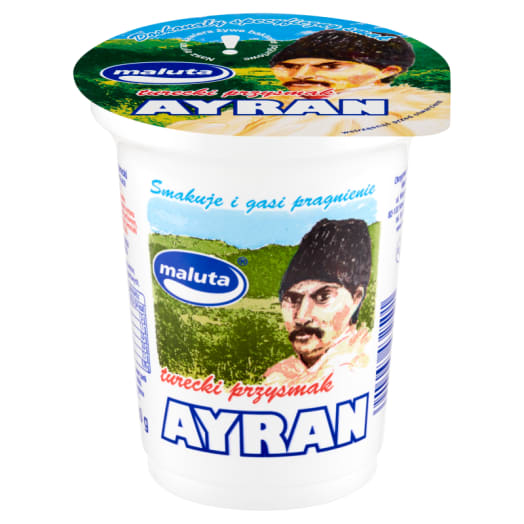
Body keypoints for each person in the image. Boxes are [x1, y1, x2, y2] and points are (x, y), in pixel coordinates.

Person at [168, 30, 449, 136]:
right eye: (289, 66)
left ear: (386, 71)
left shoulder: (416, 108)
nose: (301, 75)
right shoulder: (263, 107)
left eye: (330, 66)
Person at [263, 219, 372, 386]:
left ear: (356, 298)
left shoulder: (357, 365)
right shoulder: (281, 374)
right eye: (293, 299)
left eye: (323, 297)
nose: (301, 317)